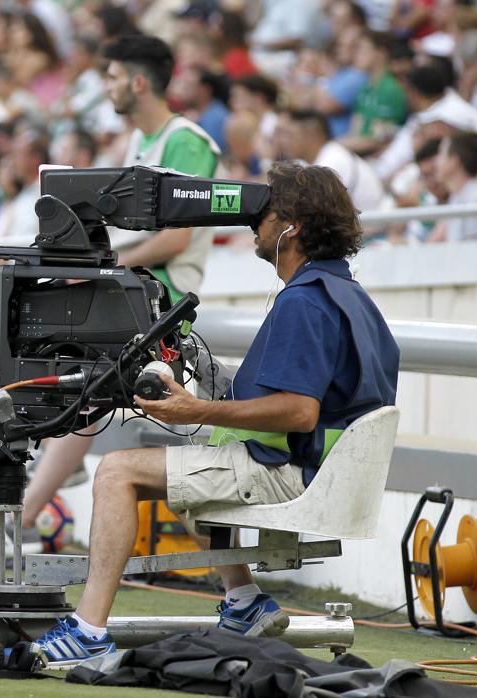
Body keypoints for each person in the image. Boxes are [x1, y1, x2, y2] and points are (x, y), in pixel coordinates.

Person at [29, 163, 399, 665]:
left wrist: (193, 408)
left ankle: (88, 631)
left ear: (291, 228)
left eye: (265, 213)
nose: (253, 222)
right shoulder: (347, 296)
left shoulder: (304, 303)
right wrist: (198, 369)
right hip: (318, 468)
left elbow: (298, 412)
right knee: (193, 461)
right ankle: (244, 601)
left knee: (117, 471)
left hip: (293, 473)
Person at [18, 35, 223, 538]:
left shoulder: (186, 142)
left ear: (137, 82)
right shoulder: (140, 142)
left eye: (110, 77)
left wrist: (109, 267)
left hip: (162, 298)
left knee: (78, 389)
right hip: (134, 288)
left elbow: (178, 238)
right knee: (76, 389)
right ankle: (27, 506)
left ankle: (24, 510)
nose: (105, 87)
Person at [427, 131, 477, 242]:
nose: (435, 161)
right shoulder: (458, 197)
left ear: (454, 161)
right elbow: (433, 243)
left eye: (441, 153)